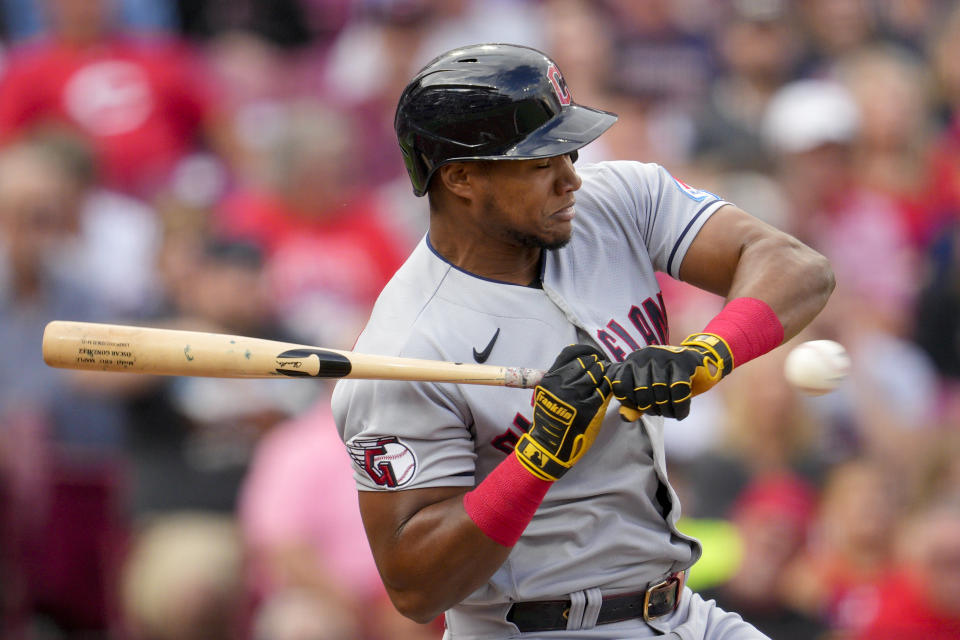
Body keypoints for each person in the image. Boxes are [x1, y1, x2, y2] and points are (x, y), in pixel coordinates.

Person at [332, 44, 834, 639]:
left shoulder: (616, 199)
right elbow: (415, 587)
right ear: (462, 176)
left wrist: (704, 355)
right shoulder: (407, 346)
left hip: (682, 611)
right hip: (542, 627)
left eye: (568, 148)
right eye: (540, 161)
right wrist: (539, 458)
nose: (572, 176)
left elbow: (797, 267)